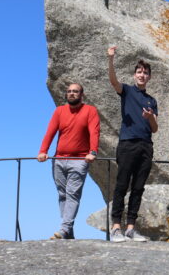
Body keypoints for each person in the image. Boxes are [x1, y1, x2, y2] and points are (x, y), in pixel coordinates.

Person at [107, 46, 158, 243]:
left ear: (149, 77)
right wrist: (111, 59)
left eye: (145, 73)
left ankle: (131, 228)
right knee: (122, 185)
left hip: (146, 145)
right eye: (139, 72)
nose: (142, 75)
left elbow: (154, 128)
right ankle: (116, 228)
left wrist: (149, 117)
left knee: (138, 187)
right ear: (134, 75)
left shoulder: (152, 100)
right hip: (127, 143)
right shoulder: (127, 91)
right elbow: (113, 81)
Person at [38, 83, 100, 240]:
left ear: (81, 94)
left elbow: (94, 131)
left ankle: (64, 228)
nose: (72, 94)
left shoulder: (90, 111)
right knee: (62, 194)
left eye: (75, 91)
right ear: (66, 95)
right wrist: (43, 151)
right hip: (59, 159)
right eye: (69, 91)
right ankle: (69, 231)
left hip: (79, 160)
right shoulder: (59, 111)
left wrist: (92, 152)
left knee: (72, 194)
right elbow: (50, 132)